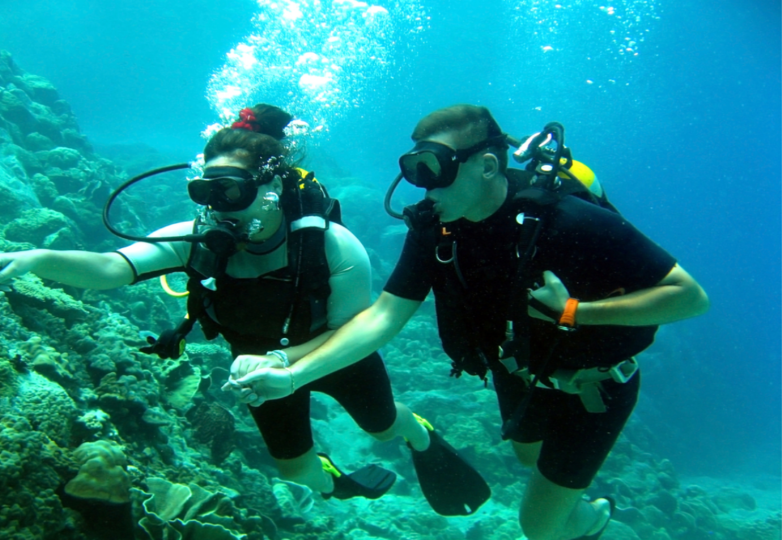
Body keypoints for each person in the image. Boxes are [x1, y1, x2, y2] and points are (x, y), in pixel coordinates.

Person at [0, 104, 490, 514]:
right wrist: (37, 258)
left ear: (271, 186)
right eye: (204, 191)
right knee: (297, 472)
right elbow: (109, 269)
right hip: (256, 368)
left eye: (230, 191)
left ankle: (419, 432)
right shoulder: (197, 237)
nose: (216, 208)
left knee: (383, 428)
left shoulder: (332, 245)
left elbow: (356, 329)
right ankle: (335, 482)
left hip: (336, 355)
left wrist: (285, 365)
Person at [227, 104, 710, 539]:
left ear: (487, 165)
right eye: (417, 170)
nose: (426, 187)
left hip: (595, 386)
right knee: (527, 455)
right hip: (520, 371)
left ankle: (591, 519)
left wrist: (575, 312)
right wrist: (290, 371)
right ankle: (565, 493)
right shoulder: (435, 228)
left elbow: (689, 297)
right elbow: (384, 318)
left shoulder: (567, 220)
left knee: (540, 528)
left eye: (437, 170)